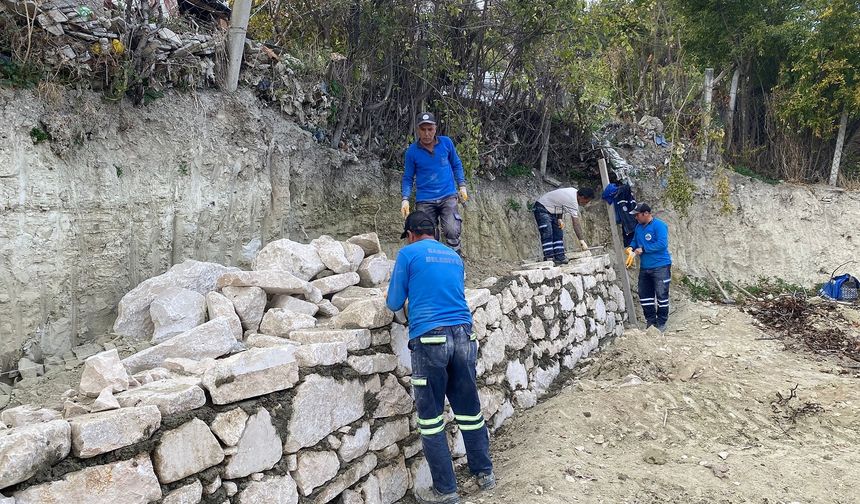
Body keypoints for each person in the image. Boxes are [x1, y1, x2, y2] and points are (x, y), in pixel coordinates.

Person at [386, 211, 494, 504]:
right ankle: (484, 473)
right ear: (434, 231)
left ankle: (446, 490)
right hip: (464, 336)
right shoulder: (453, 256)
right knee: (469, 410)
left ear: (410, 234)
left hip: (430, 339)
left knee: (431, 419)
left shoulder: (408, 254)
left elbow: (393, 302)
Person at [401, 112, 469, 256]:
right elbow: (408, 177)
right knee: (427, 235)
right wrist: (405, 199)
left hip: (448, 195)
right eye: (423, 129)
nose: (426, 133)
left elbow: (456, 164)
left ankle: (456, 262)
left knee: (452, 229)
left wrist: (462, 185)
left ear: (435, 128)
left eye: (430, 129)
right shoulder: (412, 152)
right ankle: (434, 265)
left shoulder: (446, 143)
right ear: (418, 130)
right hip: (425, 199)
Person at [626, 203, 672, 331]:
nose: (636, 218)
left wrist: (644, 249)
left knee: (662, 295)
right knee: (645, 295)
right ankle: (651, 322)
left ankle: (661, 323)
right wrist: (631, 247)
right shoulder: (639, 228)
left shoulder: (659, 225)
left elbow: (662, 244)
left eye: (638, 215)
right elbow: (635, 241)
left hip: (661, 266)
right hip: (645, 267)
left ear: (646, 213)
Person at [532, 187, 595, 265]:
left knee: (558, 233)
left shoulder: (574, 192)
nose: (585, 203)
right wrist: (581, 241)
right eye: (586, 201)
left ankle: (559, 257)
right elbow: (576, 224)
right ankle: (549, 258)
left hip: (553, 211)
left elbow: (560, 204)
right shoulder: (572, 200)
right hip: (541, 208)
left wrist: (559, 219)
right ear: (582, 197)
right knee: (547, 233)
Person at [601, 181, 638, 247]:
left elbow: (605, 196)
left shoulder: (623, 193)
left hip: (628, 222)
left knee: (631, 244)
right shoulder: (622, 192)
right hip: (629, 222)